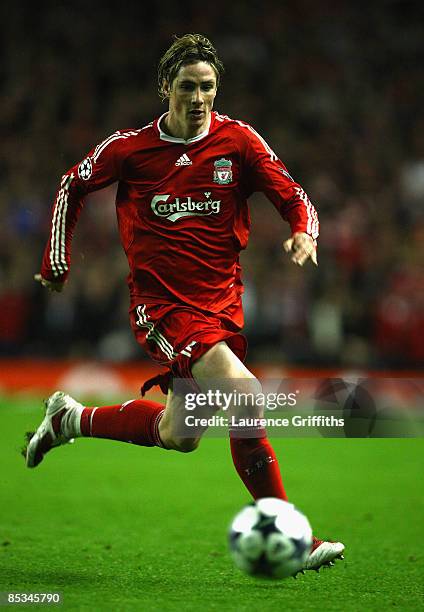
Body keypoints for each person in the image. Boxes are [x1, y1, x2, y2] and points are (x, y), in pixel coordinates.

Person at [25, 34, 344, 572]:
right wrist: (57, 256)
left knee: (180, 435)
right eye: (188, 86)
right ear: (165, 89)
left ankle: (70, 421)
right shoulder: (128, 149)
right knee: (246, 395)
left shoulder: (238, 141)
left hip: (222, 304)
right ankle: (290, 536)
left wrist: (303, 234)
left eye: (209, 87)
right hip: (162, 307)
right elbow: (70, 187)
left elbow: (295, 196)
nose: (199, 98)